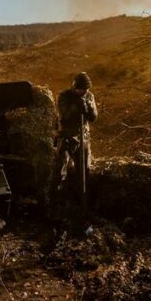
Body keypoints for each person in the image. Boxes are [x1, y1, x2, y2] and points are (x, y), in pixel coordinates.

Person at [53, 72, 98, 220]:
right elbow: (63, 118)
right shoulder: (64, 96)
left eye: (84, 90)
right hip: (66, 137)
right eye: (79, 89)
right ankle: (56, 203)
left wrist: (89, 107)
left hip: (83, 138)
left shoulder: (89, 96)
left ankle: (82, 205)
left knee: (84, 171)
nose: (82, 92)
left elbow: (94, 118)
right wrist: (74, 109)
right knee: (60, 170)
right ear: (74, 87)